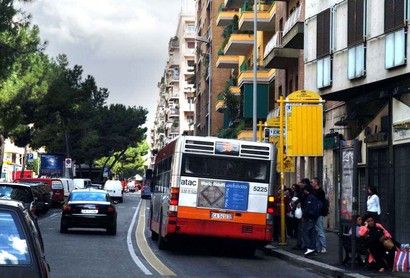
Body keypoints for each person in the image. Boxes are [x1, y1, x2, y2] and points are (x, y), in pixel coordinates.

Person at [301, 184, 320, 256]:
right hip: (312, 218)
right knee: (312, 234)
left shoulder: (310, 197)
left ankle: (310, 248)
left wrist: (304, 215)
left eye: (304, 190)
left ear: (306, 190)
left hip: (309, 218)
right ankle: (313, 248)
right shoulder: (313, 196)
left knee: (305, 233)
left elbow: (308, 209)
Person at [312, 177, 327, 253]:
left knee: (320, 230)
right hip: (315, 213)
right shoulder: (314, 191)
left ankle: (324, 247)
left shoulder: (320, 192)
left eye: (313, 182)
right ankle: (318, 247)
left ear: (316, 183)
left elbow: (320, 203)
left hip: (319, 213)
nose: (311, 183)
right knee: (316, 231)